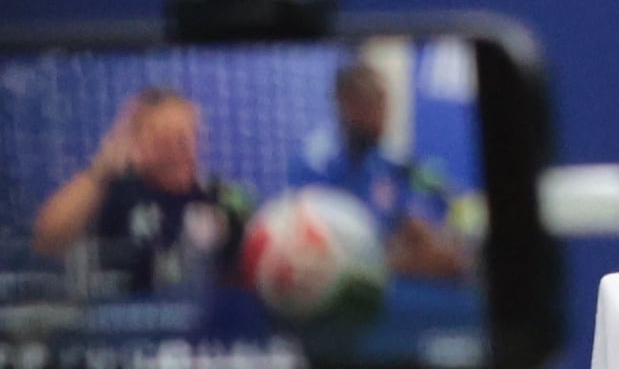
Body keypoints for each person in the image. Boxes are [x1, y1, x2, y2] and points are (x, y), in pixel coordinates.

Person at [29, 88, 248, 294]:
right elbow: (46, 243)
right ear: (136, 143)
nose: (173, 153)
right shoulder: (111, 193)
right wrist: (99, 173)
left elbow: (245, 279)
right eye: (161, 142)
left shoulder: (221, 199)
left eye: (182, 140)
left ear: (200, 141)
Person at [293, 59, 469, 282]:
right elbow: (315, 252)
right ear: (343, 104)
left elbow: (407, 223)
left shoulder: (387, 161)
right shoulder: (314, 163)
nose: (380, 117)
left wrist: (430, 242)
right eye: (369, 104)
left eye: (383, 104)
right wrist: (407, 264)